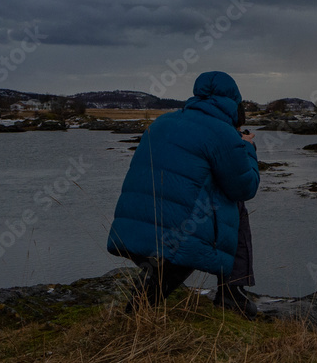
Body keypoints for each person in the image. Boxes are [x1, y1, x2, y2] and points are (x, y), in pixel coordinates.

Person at [106, 71, 261, 318]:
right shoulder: (223, 134)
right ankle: (231, 292)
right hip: (177, 239)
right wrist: (247, 148)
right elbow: (245, 187)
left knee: (191, 208)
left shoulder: (161, 122)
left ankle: (142, 300)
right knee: (234, 204)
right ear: (234, 104)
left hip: (132, 232)